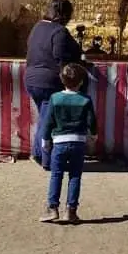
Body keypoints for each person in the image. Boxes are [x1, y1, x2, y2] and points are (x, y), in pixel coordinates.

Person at [25, 0, 82, 166]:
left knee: (44, 117)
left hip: (30, 78)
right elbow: (60, 58)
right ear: (63, 15)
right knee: (48, 120)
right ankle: (47, 159)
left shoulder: (37, 27)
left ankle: (37, 153)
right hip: (48, 81)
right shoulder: (59, 31)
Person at [39, 64, 97, 223]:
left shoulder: (55, 98)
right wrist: (94, 136)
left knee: (56, 175)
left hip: (59, 143)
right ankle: (71, 211)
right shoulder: (85, 99)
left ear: (62, 80)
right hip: (78, 142)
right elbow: (92, 121)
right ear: (80, 82)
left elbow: (48, 122)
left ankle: (52, 208)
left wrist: (45, 141)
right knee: (75, 176)